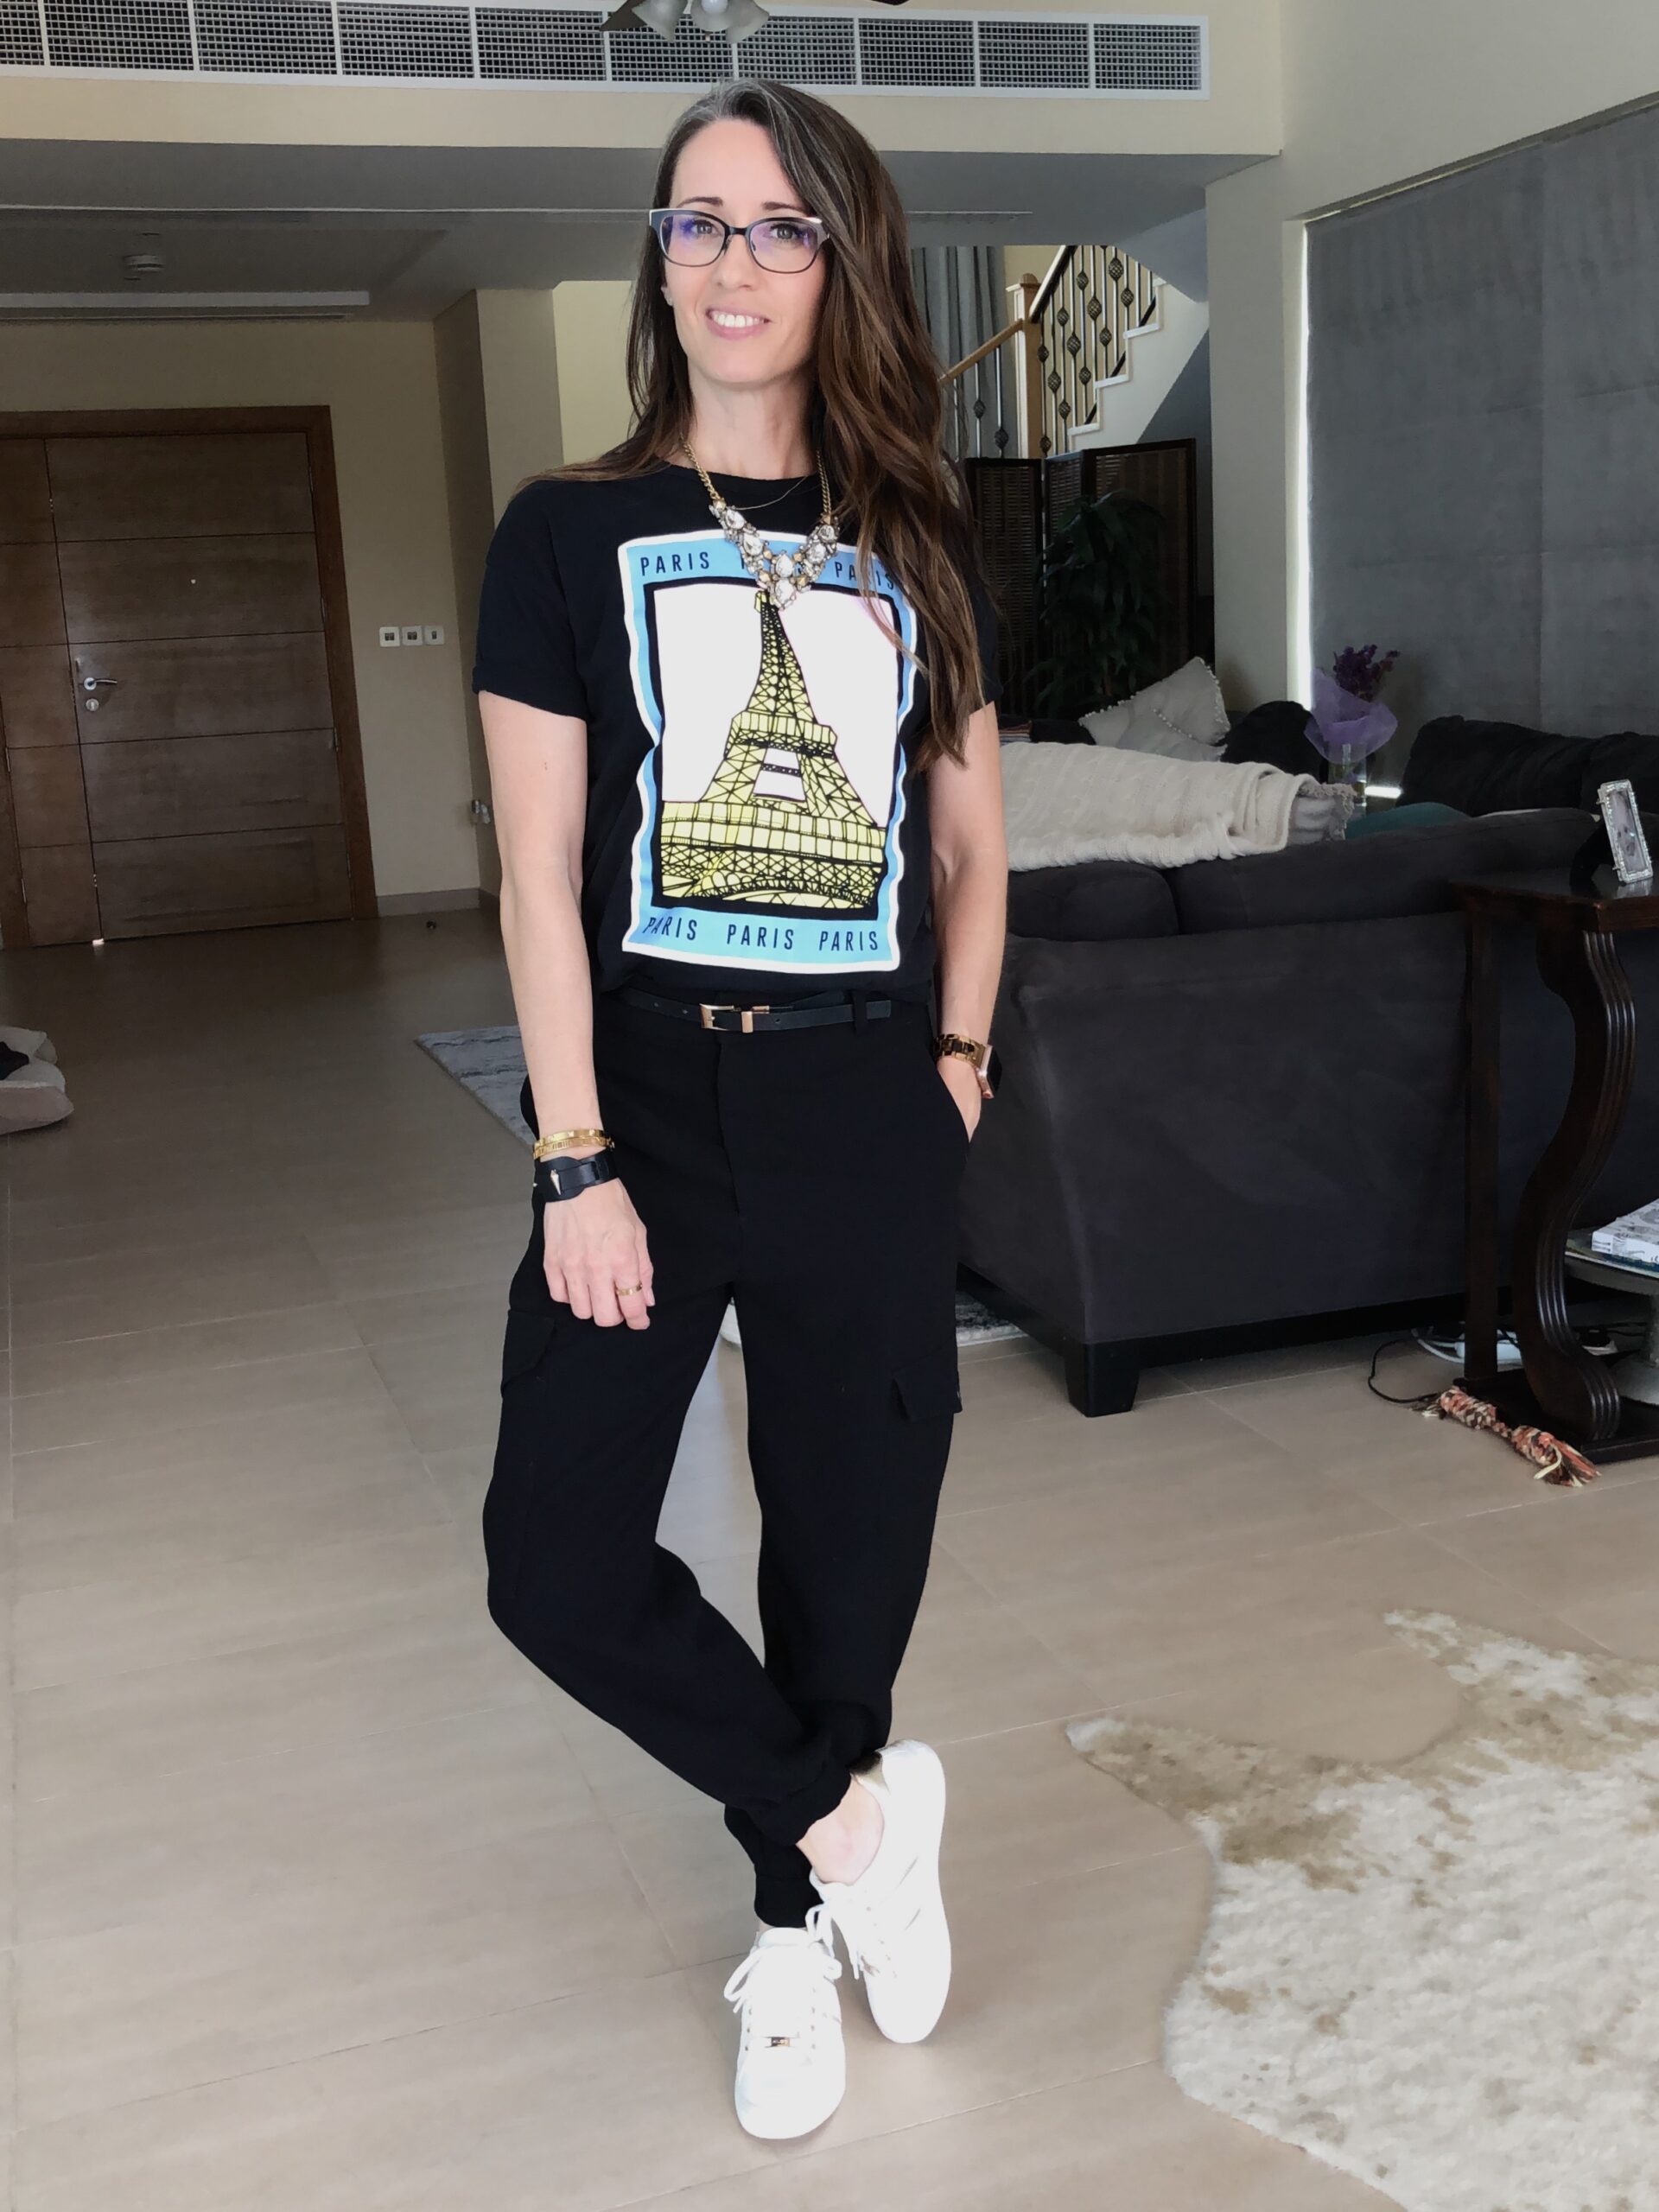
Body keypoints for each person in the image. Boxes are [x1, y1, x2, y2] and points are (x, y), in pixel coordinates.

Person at [473, 76, 1007, 2142]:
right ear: (658, 261)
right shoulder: (566, 530)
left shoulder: (920, 547)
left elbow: (971, 855)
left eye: (778, 226)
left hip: (872, 1105)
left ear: (840, 261)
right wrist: (574, 1153)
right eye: (695, 223)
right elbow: (534, 878)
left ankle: (790, 1923)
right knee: (556, 1554)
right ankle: (859, 1827)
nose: (729, 262)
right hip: (654, 1108)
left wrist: (955, 1070)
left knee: (850, 1540)